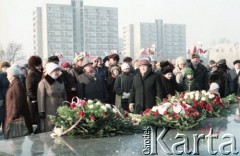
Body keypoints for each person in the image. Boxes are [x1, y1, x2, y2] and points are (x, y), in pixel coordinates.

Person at [4, 65, 33, 139]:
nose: (7, 76)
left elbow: (17, 102)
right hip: (13, 116)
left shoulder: (16, 84)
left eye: (8, 74)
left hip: (15, 119)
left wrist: (14, 116)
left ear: (12, 75)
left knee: (15, 142)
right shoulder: (15, 83)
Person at [37, 62, 67, 132]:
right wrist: (42, 111)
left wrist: (66, 106)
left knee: (61, 128)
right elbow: (40, 98)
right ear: (50, 72)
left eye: (58, 70)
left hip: (61, 109)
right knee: (51, 128)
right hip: (50, 110)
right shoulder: (43, 82)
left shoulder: (60, 81)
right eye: (55, 70)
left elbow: (64, 95)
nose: (57, 72)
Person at [26, 56, 43, 133]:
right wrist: (33, 99)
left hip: (38, 98)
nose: (40, 66)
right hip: (34, 101)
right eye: (38, 65)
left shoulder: (38, 72)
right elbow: (29, 89)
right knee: (35, 119)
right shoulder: (31, 74)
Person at [0, 62, 10, 132]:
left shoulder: (9, 75)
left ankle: (5, 129)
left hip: (8, 97)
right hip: (2, 97)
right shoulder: (0, 76)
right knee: (1, 114)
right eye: (4, 67)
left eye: (6, 67)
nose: (5, 68)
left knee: (6, 114)